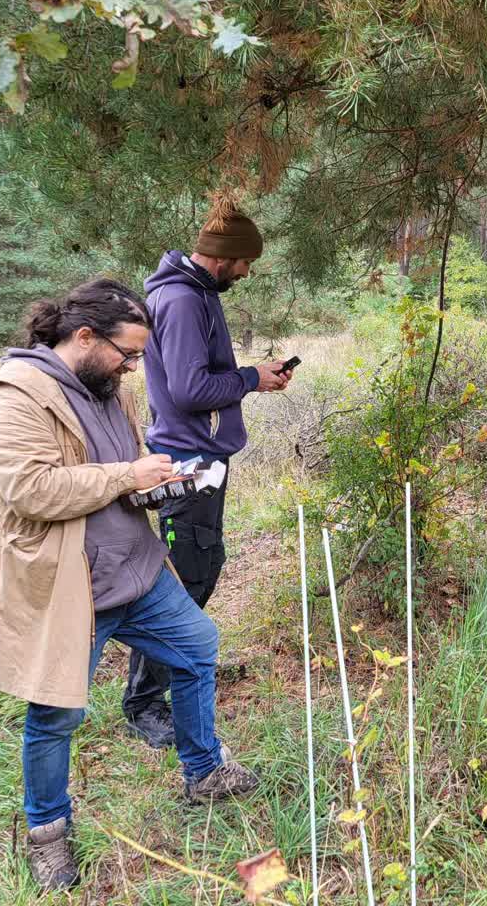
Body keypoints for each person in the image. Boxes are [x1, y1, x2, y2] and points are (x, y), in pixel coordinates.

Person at [0, 278, 258, 892]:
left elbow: (119, 476)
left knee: (198, 650)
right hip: (70, 586)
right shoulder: (17, 396)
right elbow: (31, 491)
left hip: (139, 568)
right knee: (55, 715)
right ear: (83, 336)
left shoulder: (107, 388)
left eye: (137, 357)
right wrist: (129, 472)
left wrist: (159, 484)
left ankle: (204, 771)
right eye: (126, 354)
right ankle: (48, 833)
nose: (132, 368)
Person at [122, 199, 295, 748]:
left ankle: (170, 678)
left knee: (203, 566)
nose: (247, 271)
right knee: (183, 581)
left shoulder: (197, 293)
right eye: (244, 261)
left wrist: (253, 376)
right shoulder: (178, 300)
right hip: (186, 460)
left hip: (206, 457)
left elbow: (201, 377)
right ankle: (145, 705)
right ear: (224, 257)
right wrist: (250, 379)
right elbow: (189, 390)